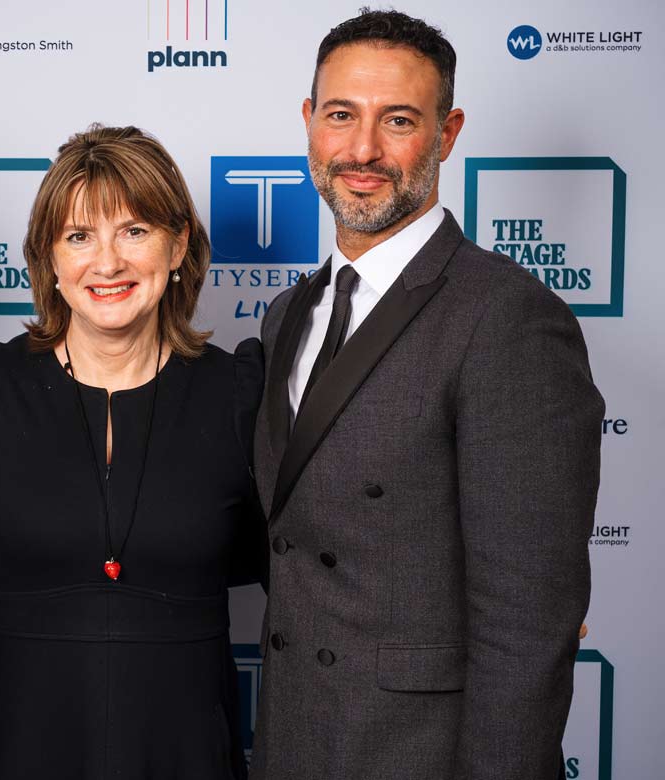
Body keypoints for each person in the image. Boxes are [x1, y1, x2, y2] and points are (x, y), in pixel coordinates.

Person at [248, 10, 603, 780]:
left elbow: (529, 620)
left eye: (398, 120)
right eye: (341, 115)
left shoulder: (507, 317)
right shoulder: (288, 316)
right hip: (292, 740)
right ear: (310, 122)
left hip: (418, 753)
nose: (363, 150)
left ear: (446, 134)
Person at [0, 125, 264, 779]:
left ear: (179, 243)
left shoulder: (239, 392)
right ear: (49, 257)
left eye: (134, 231)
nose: (108, 263)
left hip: (186, 751)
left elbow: (299, 566)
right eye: (80, 236)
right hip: (19, 746)